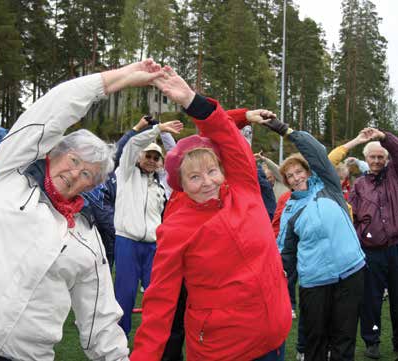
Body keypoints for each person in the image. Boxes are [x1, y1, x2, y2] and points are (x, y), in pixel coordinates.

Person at [0, 59, 165, 360]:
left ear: (91, 186)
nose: (75, 174)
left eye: (87, 175)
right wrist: (116, 79)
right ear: (55, 153)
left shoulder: (86, 236)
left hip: (27, 355)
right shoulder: (9, 175)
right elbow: (53, 110)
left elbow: (100, 315)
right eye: (74, 161)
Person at [130, 67, 291, 361]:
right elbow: (159, 305)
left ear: (222, 168)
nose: (206, 181)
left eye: (211, 171)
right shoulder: (177, 226)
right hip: (224, 350)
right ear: (179, 182)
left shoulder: (244, 188)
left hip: (273, 340)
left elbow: (225, 134)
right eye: (194, 177)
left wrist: (192, 99)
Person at [274, 121, 366, 361]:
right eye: (289, 176)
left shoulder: (329, 185)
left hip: (351, 271)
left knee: (344, 337)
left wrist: (287, 131)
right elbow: (285, 252)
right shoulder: (290, 209)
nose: (295, 178)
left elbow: (317, 152)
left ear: (308, 170)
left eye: (298, 172)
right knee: (315, 339)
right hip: (315, 281)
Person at [114, 116, 183, 337]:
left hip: (153, 246)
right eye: (148, 156)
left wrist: (165, 134)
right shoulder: (125, 173)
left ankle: (155, 341)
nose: (152, 160)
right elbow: (132, 145)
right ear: (139, 157)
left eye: (156, 157)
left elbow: (177, 158)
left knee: (156, 296)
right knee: (124, 295)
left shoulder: (162, 184)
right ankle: (118, 343)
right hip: (127, 242)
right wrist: (156, 129)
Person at [349, 128, 398, 359]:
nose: (376, 160)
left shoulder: (396, 174)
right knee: (371, 300)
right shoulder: (358, 185)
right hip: (371, 252)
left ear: (386, 159)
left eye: (380, 156)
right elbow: (352, 216)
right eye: (372, 157)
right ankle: (372, 340)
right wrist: (362, 235)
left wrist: (382, 136)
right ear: (366, 160)